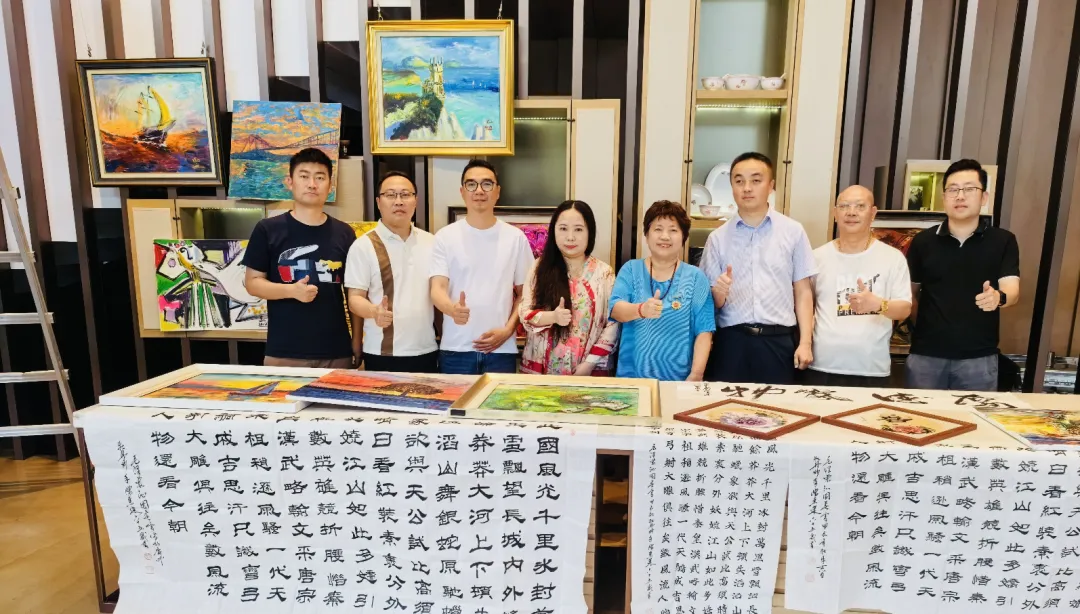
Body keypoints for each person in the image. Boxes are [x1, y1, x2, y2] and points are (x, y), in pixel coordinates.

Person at [700, 151, 815, 385]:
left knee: (775, 406)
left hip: (779, 340)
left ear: (770, 185)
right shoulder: (717, 238)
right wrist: (719, 292)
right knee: (726, 406)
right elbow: (710, 303)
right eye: (739, 181)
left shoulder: (793, 231)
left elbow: (803, 291)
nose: (747, 188)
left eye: (755, 180)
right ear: (732, 186)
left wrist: (805, 343)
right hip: (731, 342)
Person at [906, 159, 1020, 391]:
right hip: (926, 357)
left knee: (975, 414)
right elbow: (910, 295)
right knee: (919, 413)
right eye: (953, 189)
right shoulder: (922, 241)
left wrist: (998, 298)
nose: (960, 196)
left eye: (969, 189)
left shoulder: (1003, 241)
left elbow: (1012, 290)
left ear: (984, 197)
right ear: (944, 197)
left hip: (979, 359)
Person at [243, 148, 358, 368]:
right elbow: (252, 283)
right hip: (285, 352)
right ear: (290, 182)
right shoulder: (268, 229)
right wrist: (291, 291)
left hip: (336, 352)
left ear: (330, 186)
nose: (312, 184)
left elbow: (353, 292)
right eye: (304, 176)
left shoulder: (345, 233)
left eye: (320, 177)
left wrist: (357, 342)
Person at [430, 159, 535, 375]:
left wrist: (508, 330)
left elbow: (526, 293)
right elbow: (437, 288)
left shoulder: (515, 238)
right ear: (462, 191)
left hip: (501, 350)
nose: (479, 191)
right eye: (471, 184)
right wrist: (451, 310)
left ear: (497, 191)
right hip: (456, 349)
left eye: (487, 184)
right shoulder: (445, 237)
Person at [806, 186, 912, 387]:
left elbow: (904, 309)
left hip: (871, 368)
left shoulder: (892, 258)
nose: (851, 212)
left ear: (873, 213)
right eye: (844, 206)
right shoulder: (817, 257)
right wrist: (804, 345)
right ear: (835, 213)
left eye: (860, 206)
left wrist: (878, 305)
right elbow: (805, 307)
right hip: (821, 366)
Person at [344, 171, 438, 373]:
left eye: (405, 194)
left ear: (416, 201)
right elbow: (355, 299)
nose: (399, 201)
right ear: (378, 202)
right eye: (390, 195)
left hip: (427, 349)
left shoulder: (432, 242)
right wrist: (374, 311)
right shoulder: (363, 246)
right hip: (382, 353)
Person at [610, 200, 715, 381]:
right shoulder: (631, 270)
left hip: (679, 380)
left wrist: (696, 375)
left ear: (683, 237)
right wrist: (641, 310)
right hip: (632, 378)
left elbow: (704, 331)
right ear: (646, 234)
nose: (665, 236)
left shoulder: (696, 277)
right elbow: (615, 310)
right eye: (658, 229)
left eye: (673, 230)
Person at [519, 201, 619, 375]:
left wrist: (589, 364)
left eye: (578, 229)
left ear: (590, 232)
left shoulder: (604, 273)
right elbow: (525, 313)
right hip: (543, 373)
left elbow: (613, 323)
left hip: (589, 370)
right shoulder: (539, 268)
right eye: (563, 229)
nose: (570, 237)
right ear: (554, 231)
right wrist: (553, 316)